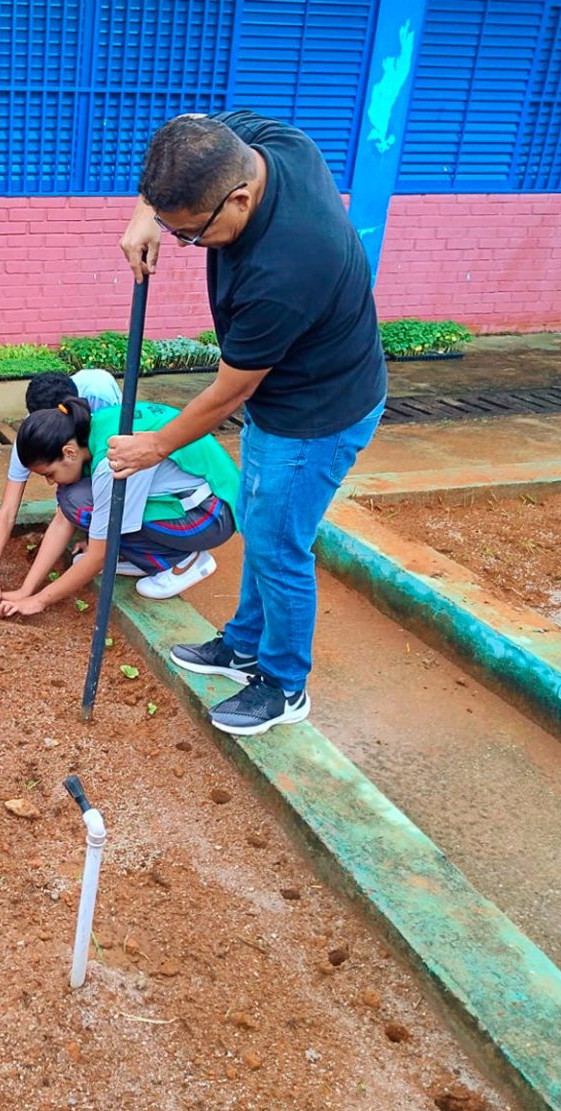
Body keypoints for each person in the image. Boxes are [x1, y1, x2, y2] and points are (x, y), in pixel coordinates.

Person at [113, 111, 387, 736]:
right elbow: (191, 125)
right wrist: (144, 214)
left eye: (190, 233)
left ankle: (284, 684)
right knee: (264, 526)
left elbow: (228, 392)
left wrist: (154, 446)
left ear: (240, 198)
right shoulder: (268, 145)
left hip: (317, 413)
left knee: (278, 546)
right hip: (289, 398)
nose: (184, 244)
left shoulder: (289, 266)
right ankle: (241, 645)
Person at [0, 397, 238, 617]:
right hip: (203, 497)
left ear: (68, 452)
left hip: (211, 515)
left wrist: (39, 600)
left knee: (80, 504)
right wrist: (25, 590)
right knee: (73, 498)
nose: (50, 481)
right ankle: (138, 556)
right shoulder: (94, 427)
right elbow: (62, 521)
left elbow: (98, 556)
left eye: (49, 473)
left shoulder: (113, 459)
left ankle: (183, 561)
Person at [0, 368, 123, 620]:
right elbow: (8, 510)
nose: (47, 482)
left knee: (85, 490)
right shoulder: (34, 436)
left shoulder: (101, 396)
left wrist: (93, 535)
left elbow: (109, 474)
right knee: (70, 498)